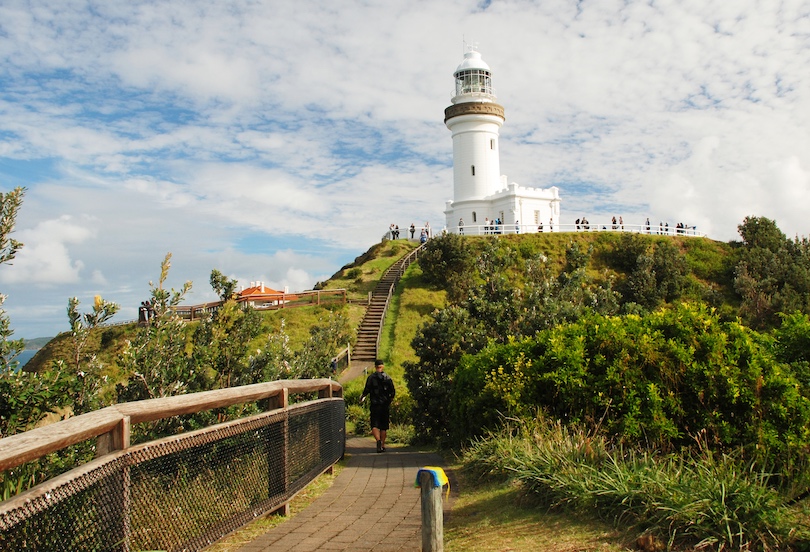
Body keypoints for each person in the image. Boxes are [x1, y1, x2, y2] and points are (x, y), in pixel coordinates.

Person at [361, 359, 396, 453]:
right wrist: (389, 401)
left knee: (374, 425)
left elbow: (366, 390)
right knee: (384, 426)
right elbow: (392, 392)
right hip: (384, 405)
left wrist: (362, 397)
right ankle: (383, 445)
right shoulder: (387, 378)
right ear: (383, 366)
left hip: (375, 404)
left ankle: (378, 441)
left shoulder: (371, 378)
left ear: (375, 366)